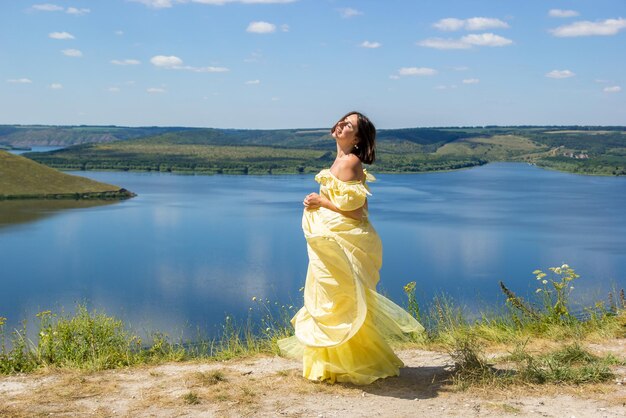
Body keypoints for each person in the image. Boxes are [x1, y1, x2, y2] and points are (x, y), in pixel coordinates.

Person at [278, 111, 424, 385]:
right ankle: (332, 364)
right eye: (342, 120)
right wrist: (319, 201)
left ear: (357, 138)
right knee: (334, 299)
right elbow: (351, 204)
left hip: (346, 240)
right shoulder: (340, 160)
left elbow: (357, 213)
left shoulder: (350, 163)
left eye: (349, 125)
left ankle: (351, 363)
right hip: (334, 238)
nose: (341, 124)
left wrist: (320, 203)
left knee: (342, 301)